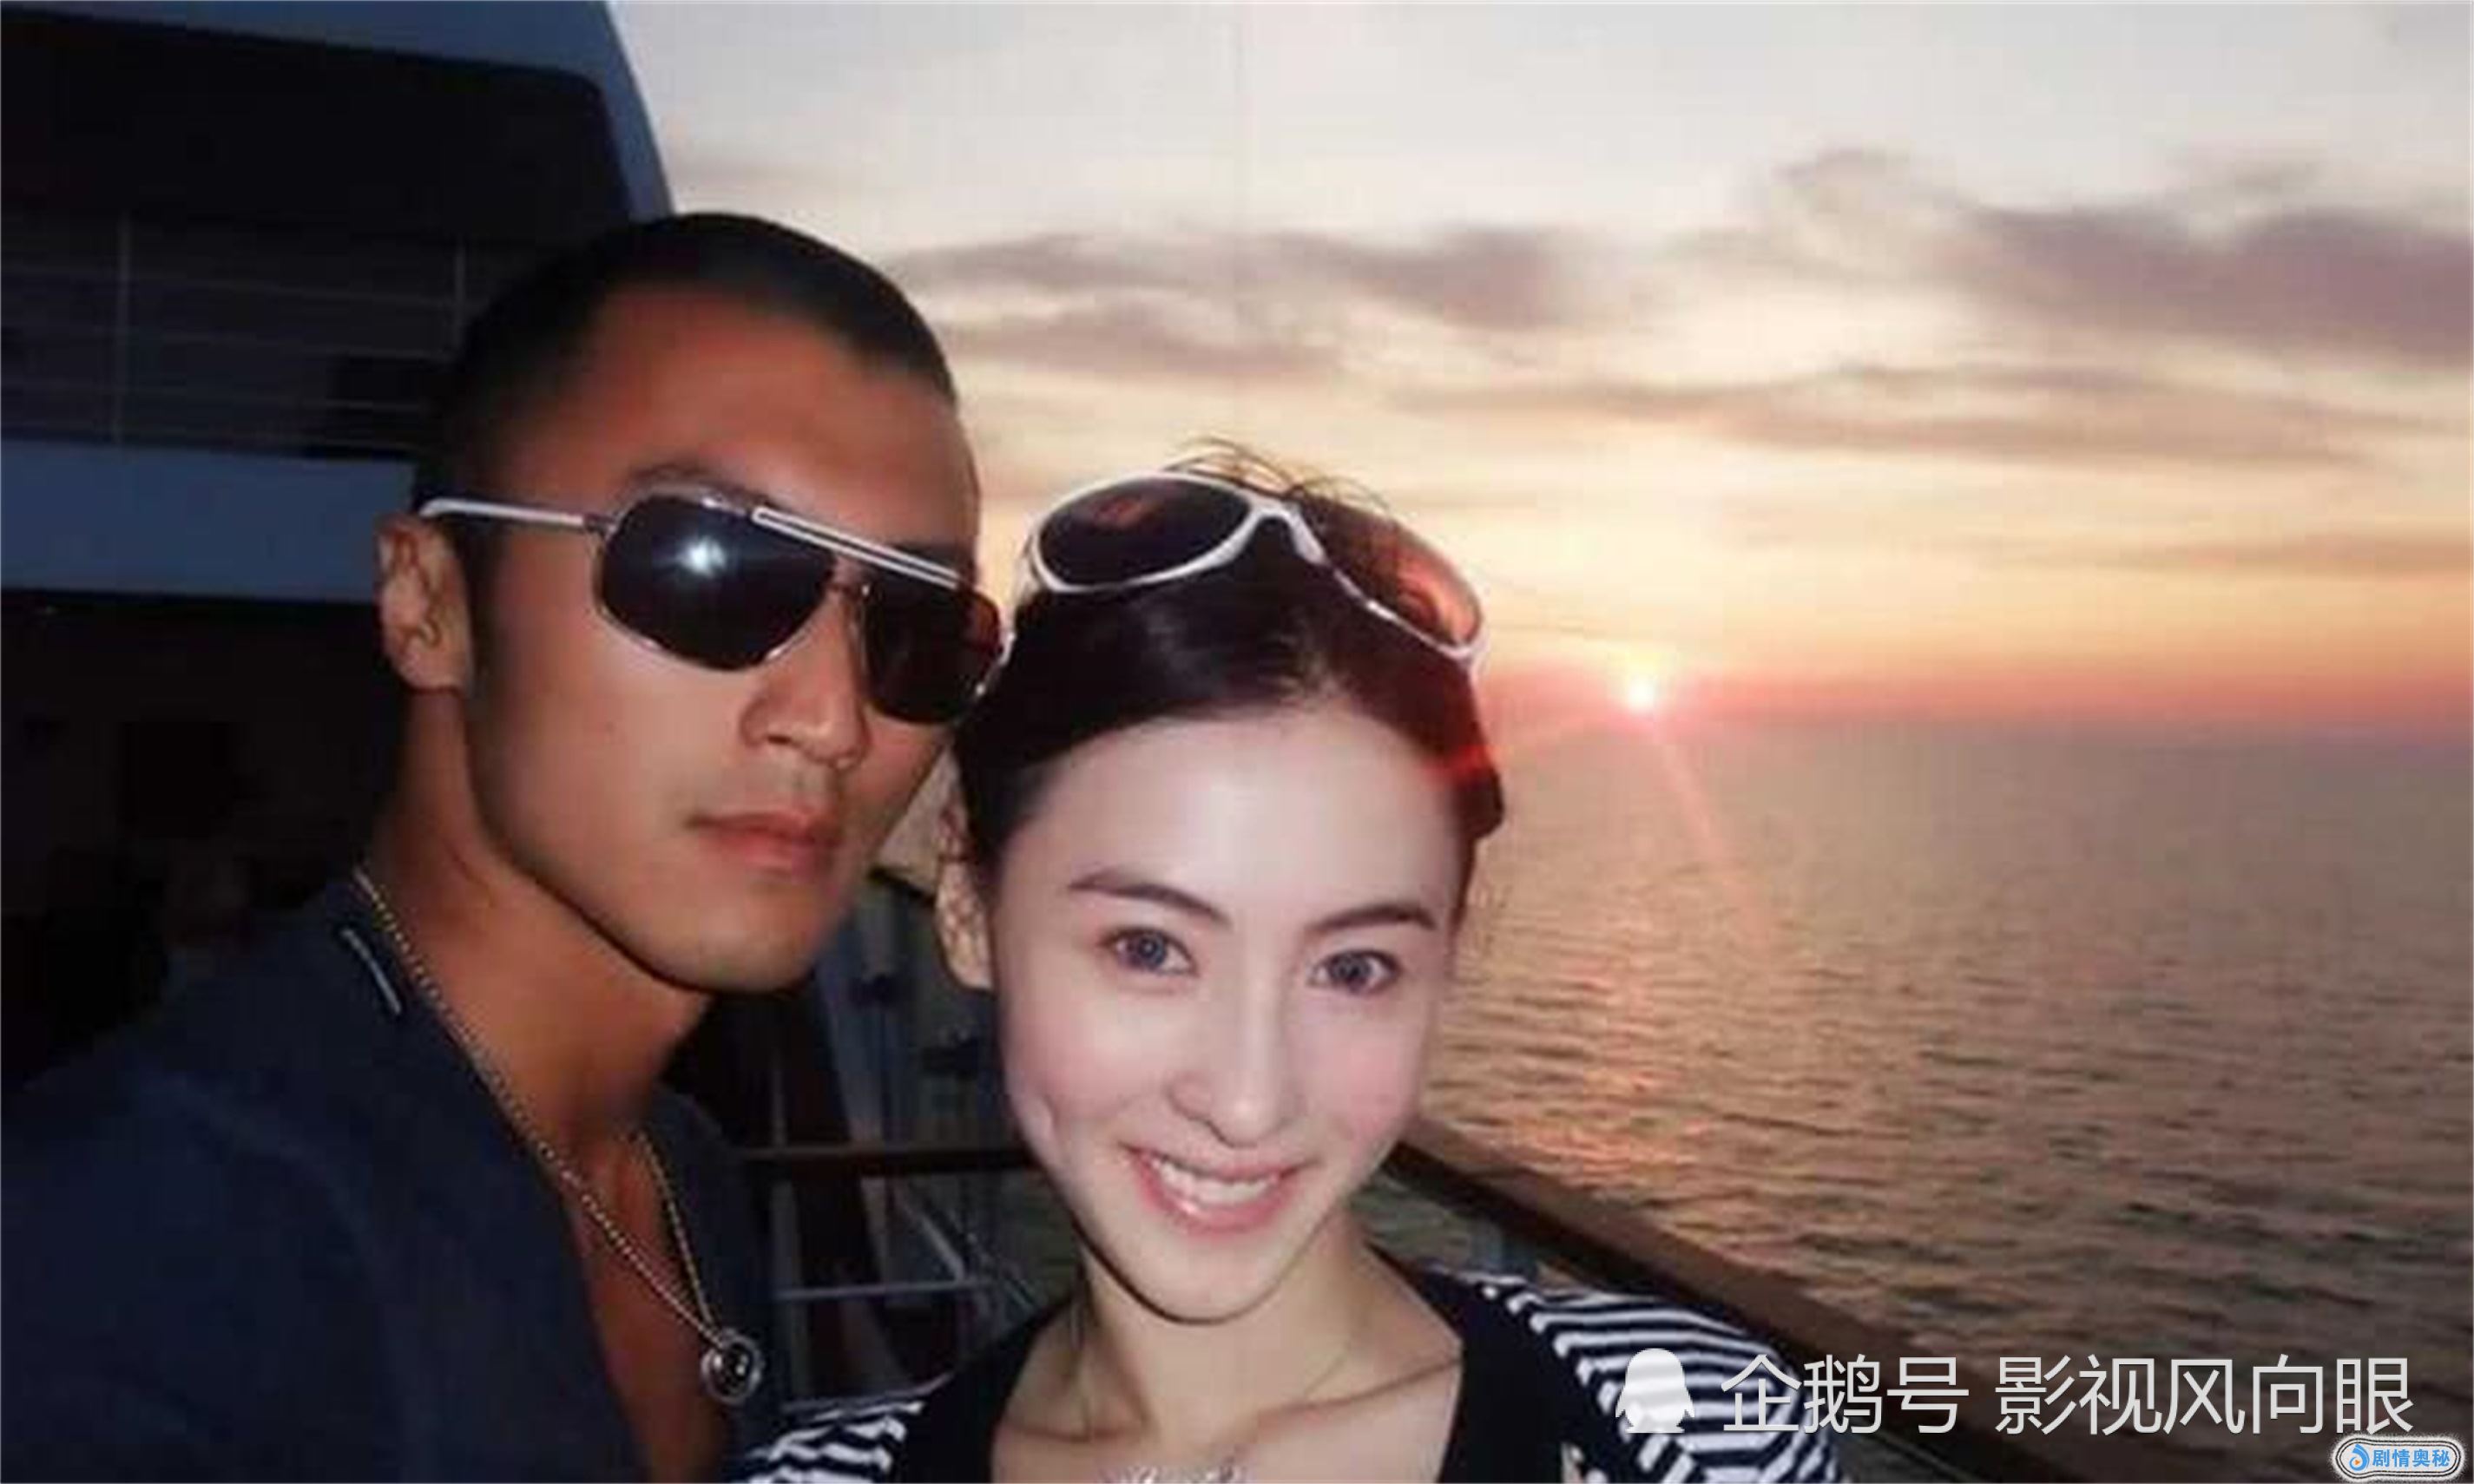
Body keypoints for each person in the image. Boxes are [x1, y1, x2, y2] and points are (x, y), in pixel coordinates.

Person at [3, 213, 1002, 1481]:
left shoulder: (674, 1173)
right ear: (429, 603)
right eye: (706, 564)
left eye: (915, 623)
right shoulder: (137, 1242)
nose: (833, 717)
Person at [744, 450, 1840, 1482]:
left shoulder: (1695, 1432)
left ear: (1448, 953)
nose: (1248, 1103)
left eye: (1354, 969)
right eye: (1150, 949)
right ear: (969, 908)